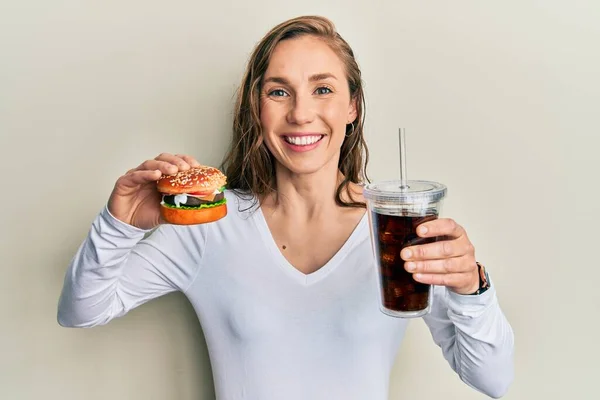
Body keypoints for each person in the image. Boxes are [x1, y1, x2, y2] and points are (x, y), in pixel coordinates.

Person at [57, 15, 514, 400]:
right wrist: (119, 225)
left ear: (352, 106)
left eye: (322, 90)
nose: (300, 113)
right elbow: (81, 310)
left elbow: (492, 379)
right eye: (279, 91)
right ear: (257, 108)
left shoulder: (399, 230)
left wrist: (472, 287)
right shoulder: (210, 225)